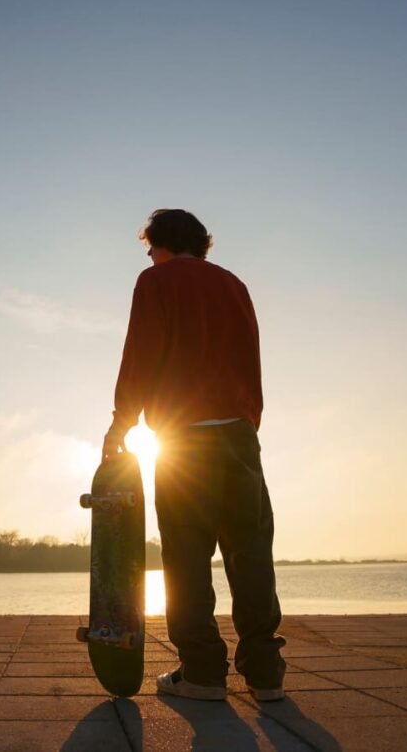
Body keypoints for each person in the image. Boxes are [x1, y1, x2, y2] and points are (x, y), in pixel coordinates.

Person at [103, 208, 286, 702]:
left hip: (185, 440)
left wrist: (122, 421)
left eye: (149, 249)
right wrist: (246, 424)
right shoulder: (233, 284)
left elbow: (140, 352)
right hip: (240, 436)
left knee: (186, 555)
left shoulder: (156, 281)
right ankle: (265, 674)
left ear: (159, 245)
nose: (150, 257)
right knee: (250, 553)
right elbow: (251, 357)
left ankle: (204, 672)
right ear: (203, 244)